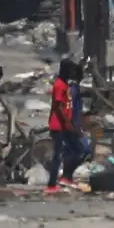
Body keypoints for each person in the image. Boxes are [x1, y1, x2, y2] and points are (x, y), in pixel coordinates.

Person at [44, 58, 83, 194]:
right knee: (58, 155)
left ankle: (65, 177)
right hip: (59, 126)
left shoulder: (65, 85)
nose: (72, 73)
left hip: (63, 125)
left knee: (77, 150)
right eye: (70, 70)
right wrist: (67, 123)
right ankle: (52, 185)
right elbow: (59, 107)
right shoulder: (60, 85)